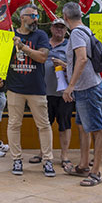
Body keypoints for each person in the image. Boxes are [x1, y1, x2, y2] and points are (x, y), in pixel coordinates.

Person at [6, 4, 53, 177]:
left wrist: (23, 46)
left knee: (43, 125)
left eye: (37, 16)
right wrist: (0, 75)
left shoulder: (40, 35)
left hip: (36, 89)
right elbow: (2, 59)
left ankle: (47, 161)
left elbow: (42, 57)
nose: (35, 19)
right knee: (14, 124)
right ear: (22, 17)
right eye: (32, 16)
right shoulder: (10, 35)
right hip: (14, 88)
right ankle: (16, 159)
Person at [61, 2, 102, 186]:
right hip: (86, 88)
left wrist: (70, 85)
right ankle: (84, 165)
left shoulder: (77, 33)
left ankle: (96, 173)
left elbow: (82, 58)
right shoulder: (85, 30)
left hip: (87, 88)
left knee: (96, 129)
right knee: (83, 127)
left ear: (65, 17)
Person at [35, 18, 72, 167]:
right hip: (43, 92)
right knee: (44, 125)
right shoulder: (43, 44)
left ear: (66, 30)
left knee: (65, 125)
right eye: (57, 27)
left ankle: (64, 155)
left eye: (62, 28)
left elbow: (80, 66)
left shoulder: (70, 45)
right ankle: (42, 153)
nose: (59, 30)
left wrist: (64, 65)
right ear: (51, 28)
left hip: (64, 94)